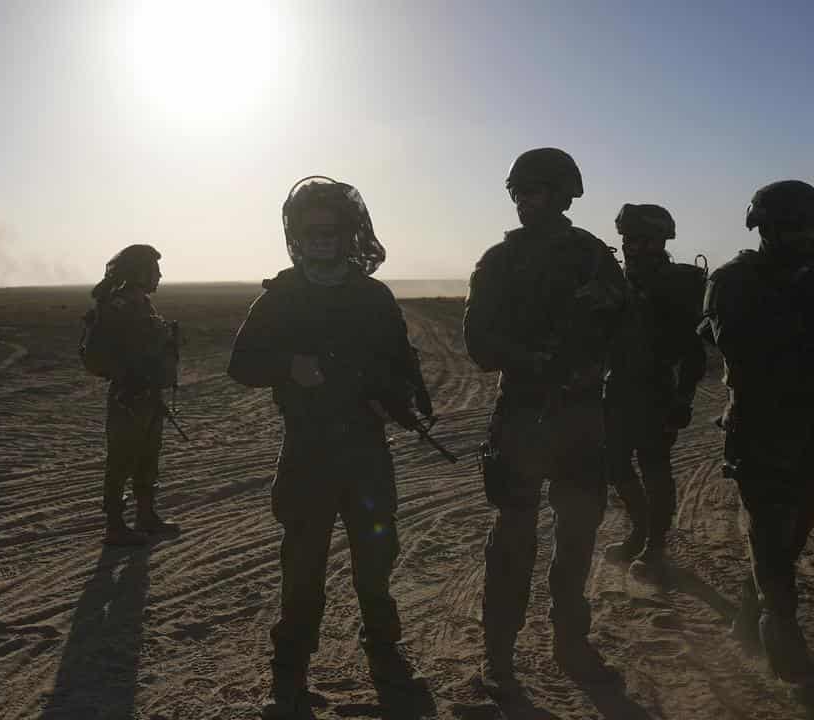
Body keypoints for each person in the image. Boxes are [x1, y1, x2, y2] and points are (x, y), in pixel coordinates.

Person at [228, 176, 429, 718]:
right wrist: (289, 366)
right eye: (311, 230)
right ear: (297, 234)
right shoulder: (281, 297)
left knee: (375, 566)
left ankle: (385, 657)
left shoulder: (372, 296)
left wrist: (409, 402)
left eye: (331, 230)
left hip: (366, 453)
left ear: (348, 234)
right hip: (307, 455)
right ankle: (288, 676)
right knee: (302, 572)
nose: (321, 239)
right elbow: (240, 364)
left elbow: (400, 361)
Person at [698, 180, 814, 682]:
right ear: (766, 227)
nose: (804, 234)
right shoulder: (734, 281)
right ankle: (782, 629)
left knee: (794, 533)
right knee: (770, 529)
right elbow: (741, 346)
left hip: (811, 423)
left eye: (810, 225)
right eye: (793, 225)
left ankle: (752, 606)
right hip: (757, 422)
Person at [465, 148, 627, 695]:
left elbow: (626, 326)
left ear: (564, 194)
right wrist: (533, 358)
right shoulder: (500, 262)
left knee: (578, 536)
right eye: (519, 191)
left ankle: (571, 643)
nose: (524, 200)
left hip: (580, 415)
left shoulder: (593, 258)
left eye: (536, 190)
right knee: (512, 540)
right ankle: (499, 657)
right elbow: (480, 345)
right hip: (523, 414)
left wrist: (592, 343)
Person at [603, 204, 707, 584]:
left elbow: (694, 350)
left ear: (662, 241)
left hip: (657, 388)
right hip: (615, 386)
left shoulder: (676, 283)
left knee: (654, 466)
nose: (633, 246)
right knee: (614, 463)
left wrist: (683, 397)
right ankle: (640, 530)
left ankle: (656, 544)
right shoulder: (615, 281)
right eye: (628, 238)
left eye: (642, 239)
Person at [86, 244, 181, 546]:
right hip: (129, 395)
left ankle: (145, 516)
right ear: (140, 272)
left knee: (147, 458)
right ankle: (115, 526)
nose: (160, 275)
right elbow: (114, 353)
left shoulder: (142, 305)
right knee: (122, 461)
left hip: (148, 394)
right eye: (154, 270)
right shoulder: (120, 307)